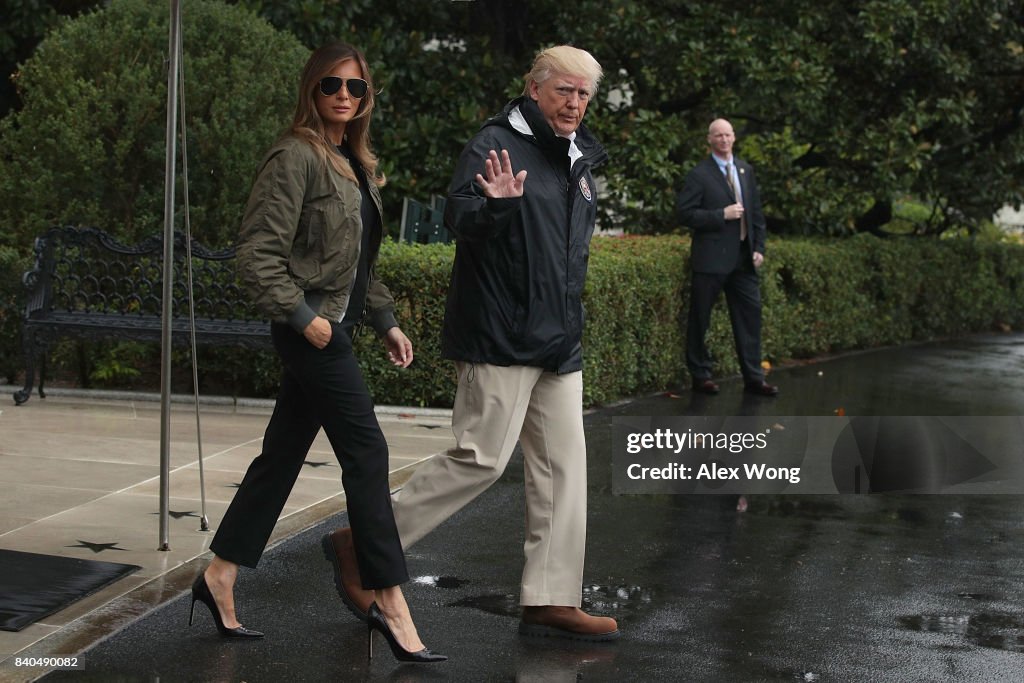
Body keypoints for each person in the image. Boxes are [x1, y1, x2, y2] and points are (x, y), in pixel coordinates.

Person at [324, 45, 620, 642]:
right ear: (534, 87)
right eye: (565, 90)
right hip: (500, 334)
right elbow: (462, 221)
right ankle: (363, 544)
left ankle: (551, 598)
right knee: (480, 460)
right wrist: (499, 208)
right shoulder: (494, 144)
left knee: (565, 471)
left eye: (584, 94)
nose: (575, 104)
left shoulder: (578, 155)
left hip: (559, 340)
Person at [188, 42, 445, 665]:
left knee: (281, 457)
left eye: (355, 89)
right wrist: (306, 322)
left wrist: (384, 321)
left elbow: (357, 264)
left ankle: (219, 574)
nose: (343, 96)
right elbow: (256, 255)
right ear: (312, 88)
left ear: (366, 99)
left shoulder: (352, 163)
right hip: (311, 330)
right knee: (367, 449)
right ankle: (387, 596)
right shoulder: (294, 156)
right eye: (332, 84)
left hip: (337, 326)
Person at [676, 118, 778, 397]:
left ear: (734, 138)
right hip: (711, 261)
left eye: (728, 135)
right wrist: (720, 215)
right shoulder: (699, 174)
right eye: (718, 135)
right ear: (709, 140)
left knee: (750, 319)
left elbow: (756, 213)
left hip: (744, 260)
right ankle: (701, 375)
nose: (723, 139)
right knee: (701, 320)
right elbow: (685, 213)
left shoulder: (745, 170)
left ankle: (754, 377)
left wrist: (759, 248)